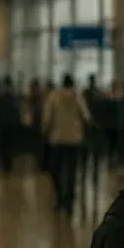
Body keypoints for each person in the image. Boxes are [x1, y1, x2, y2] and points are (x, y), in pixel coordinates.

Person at [42, 74, 91, 214]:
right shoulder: (78, 97)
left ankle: (59, 198)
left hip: (57, 139)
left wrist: (45, 132)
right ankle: (69, 200)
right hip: (75, 139)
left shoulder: (53, 96)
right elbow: (87, 117)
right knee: (72, 171)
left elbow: (47, 118)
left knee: (55, 170)